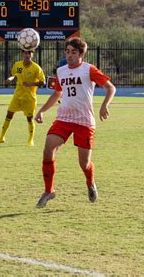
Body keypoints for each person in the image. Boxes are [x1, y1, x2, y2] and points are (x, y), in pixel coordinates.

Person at [34, 37, 116, 208]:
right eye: (67, 52)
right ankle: (49, 191)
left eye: (73, 52)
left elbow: (110, 87)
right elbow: (57, 94)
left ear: (81, 54)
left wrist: (104, 105)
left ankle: (90, 182)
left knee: (84, 163)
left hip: (84, 121)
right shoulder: (61, 71)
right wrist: (42, 111)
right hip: (64, 118)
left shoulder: (89, 70)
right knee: (48, 148)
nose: (69, 55)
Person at [0, 49, 45, 147]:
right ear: (22, 54)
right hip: (17, 95)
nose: (27, 55)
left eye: (29, 53)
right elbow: (13, 75)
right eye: (25, 52)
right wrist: (9, 79)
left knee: (29, 119)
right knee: (9, 114)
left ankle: (30, 139)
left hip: (29, 98)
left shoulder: (36, 68)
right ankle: (1, 137)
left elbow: (43, 82)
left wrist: (31, 83)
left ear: (32, 55)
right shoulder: (18, 65)